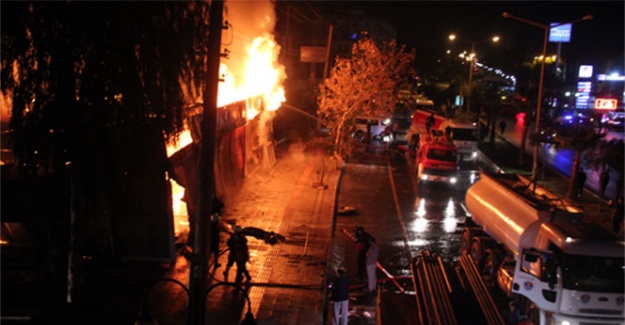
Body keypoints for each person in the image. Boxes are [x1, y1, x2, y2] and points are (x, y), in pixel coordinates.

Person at [210, 196, 225, 269]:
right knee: (213, 251)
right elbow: (220, 224)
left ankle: (215, 263)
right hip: (213, 237)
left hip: (213, 236)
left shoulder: (213, 216)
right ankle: (214, 264)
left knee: (213, 251)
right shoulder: (214, 217)